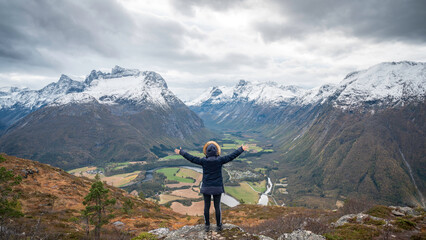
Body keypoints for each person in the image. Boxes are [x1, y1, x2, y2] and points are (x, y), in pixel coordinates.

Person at [175, 141, 248, 232]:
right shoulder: (220, 160)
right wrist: (241, 149)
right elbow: (231, 156)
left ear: (206, 152)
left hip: (206, 187)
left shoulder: (203, 161)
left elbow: (191, 158)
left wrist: (181, 152)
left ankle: (207, 225)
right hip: (217, 187)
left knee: (207, 206)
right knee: (217, 207)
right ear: (217, 151)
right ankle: (219, 226)